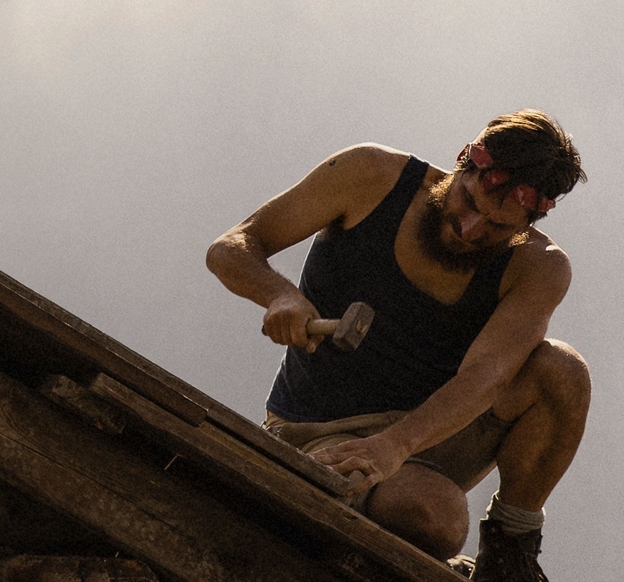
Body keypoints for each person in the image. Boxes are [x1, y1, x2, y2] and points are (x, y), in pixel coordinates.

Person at [206, 111, 588, 579]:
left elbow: (485, 378)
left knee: (563, 372)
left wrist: (396, 445)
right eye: (467, 201)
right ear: (464, 161)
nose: (470, 229)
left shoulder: (539, 267)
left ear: (527, 223)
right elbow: (232, 246)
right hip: (321, 431)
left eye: (496, 227)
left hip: (430, 431)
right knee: (435, 518)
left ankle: (509, 552)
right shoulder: (370, 177)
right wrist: (279, 295)